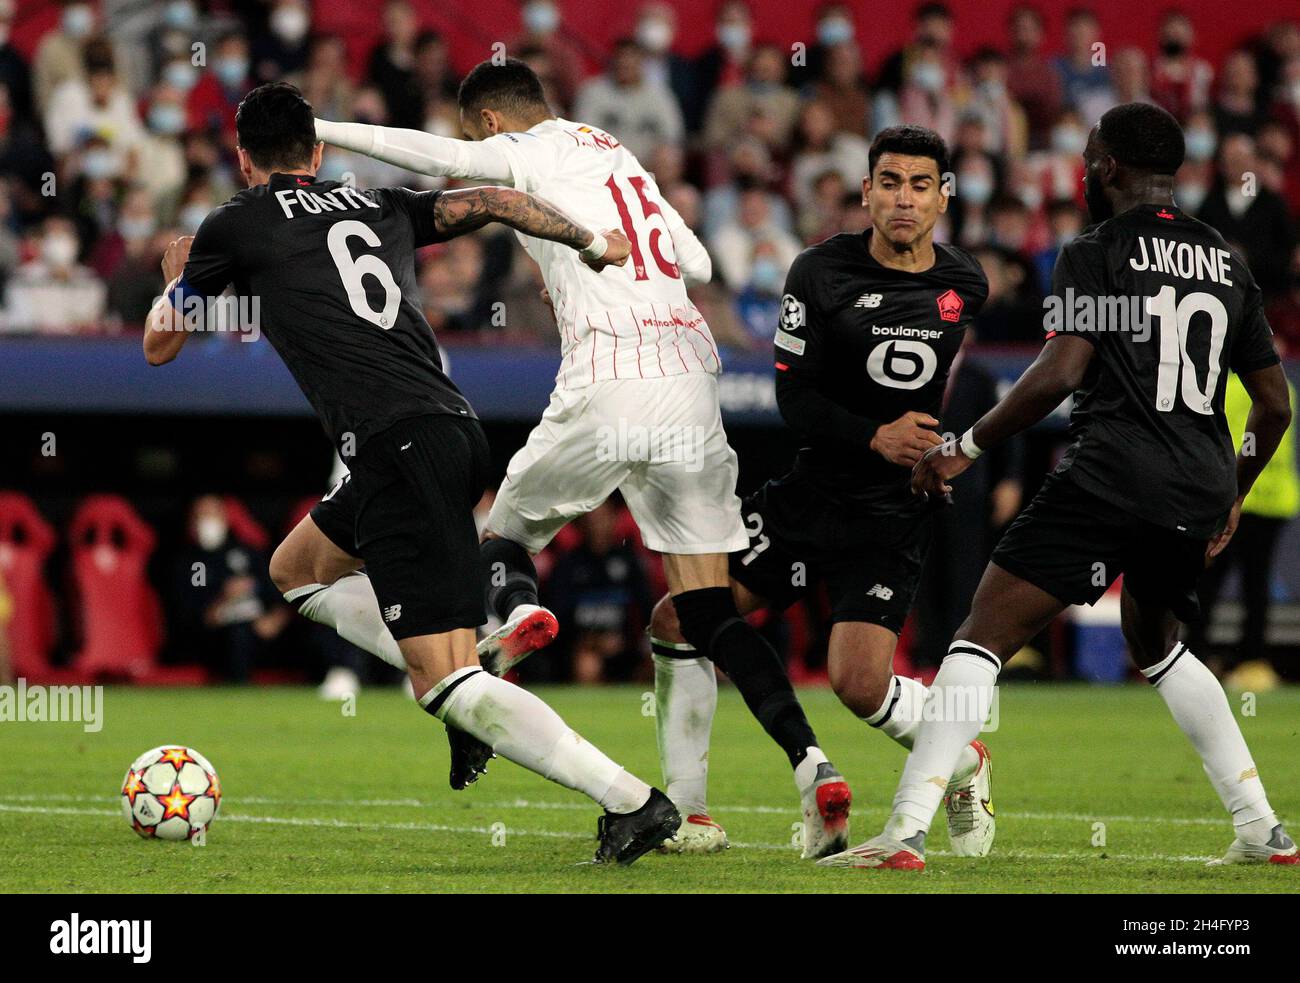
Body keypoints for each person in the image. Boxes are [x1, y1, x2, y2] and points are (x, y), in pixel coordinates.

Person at [315, 58, 852, 859]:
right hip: (691, 375)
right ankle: (799, 768)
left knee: (501, 535)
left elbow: (440, 160)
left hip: (611, 369)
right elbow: (700, 265)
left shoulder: (521, 149)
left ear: (492, 121)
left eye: (478, 133)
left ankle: (517, 610)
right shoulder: (619, 156)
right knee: (699, 612)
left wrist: (318, 129)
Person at [143, 81, 682, 867]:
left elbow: (162, 345)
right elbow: (495, 197)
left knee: (440, 681)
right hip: (451, 431)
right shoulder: (376, 204)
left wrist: (173, 279)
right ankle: (474, 679)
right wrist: (593, 242)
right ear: (319, 153)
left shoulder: (234, 222)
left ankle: (632, 800)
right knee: (297, 569)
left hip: (398, 445)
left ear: (242, 157)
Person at [825, 102, 1297, 870]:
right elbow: (1275, 404)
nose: (1081, 168)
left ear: (1108, 168)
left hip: (1112, 472)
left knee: (981, 632)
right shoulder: (1227, 258)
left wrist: (968, 443)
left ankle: (904, 831)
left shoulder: (1094, 251)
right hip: (1197, 484)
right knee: (1160, 643)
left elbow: (1062, 370)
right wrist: (1234, 491)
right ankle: (1262, 828)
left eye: (1087, 155)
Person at [647, 124, 994, 856]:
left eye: (921, 184)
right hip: (807, 498)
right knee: (678, 620)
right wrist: (875, 436)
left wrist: (940, 454)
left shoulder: (966, 285)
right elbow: (793, 399)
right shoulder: (818, 272)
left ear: (943, 198)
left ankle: (963, 757)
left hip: (893, 514)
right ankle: (690, 810)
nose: (904, 198)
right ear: (865, 192)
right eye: (890, 182)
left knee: (859, 684)